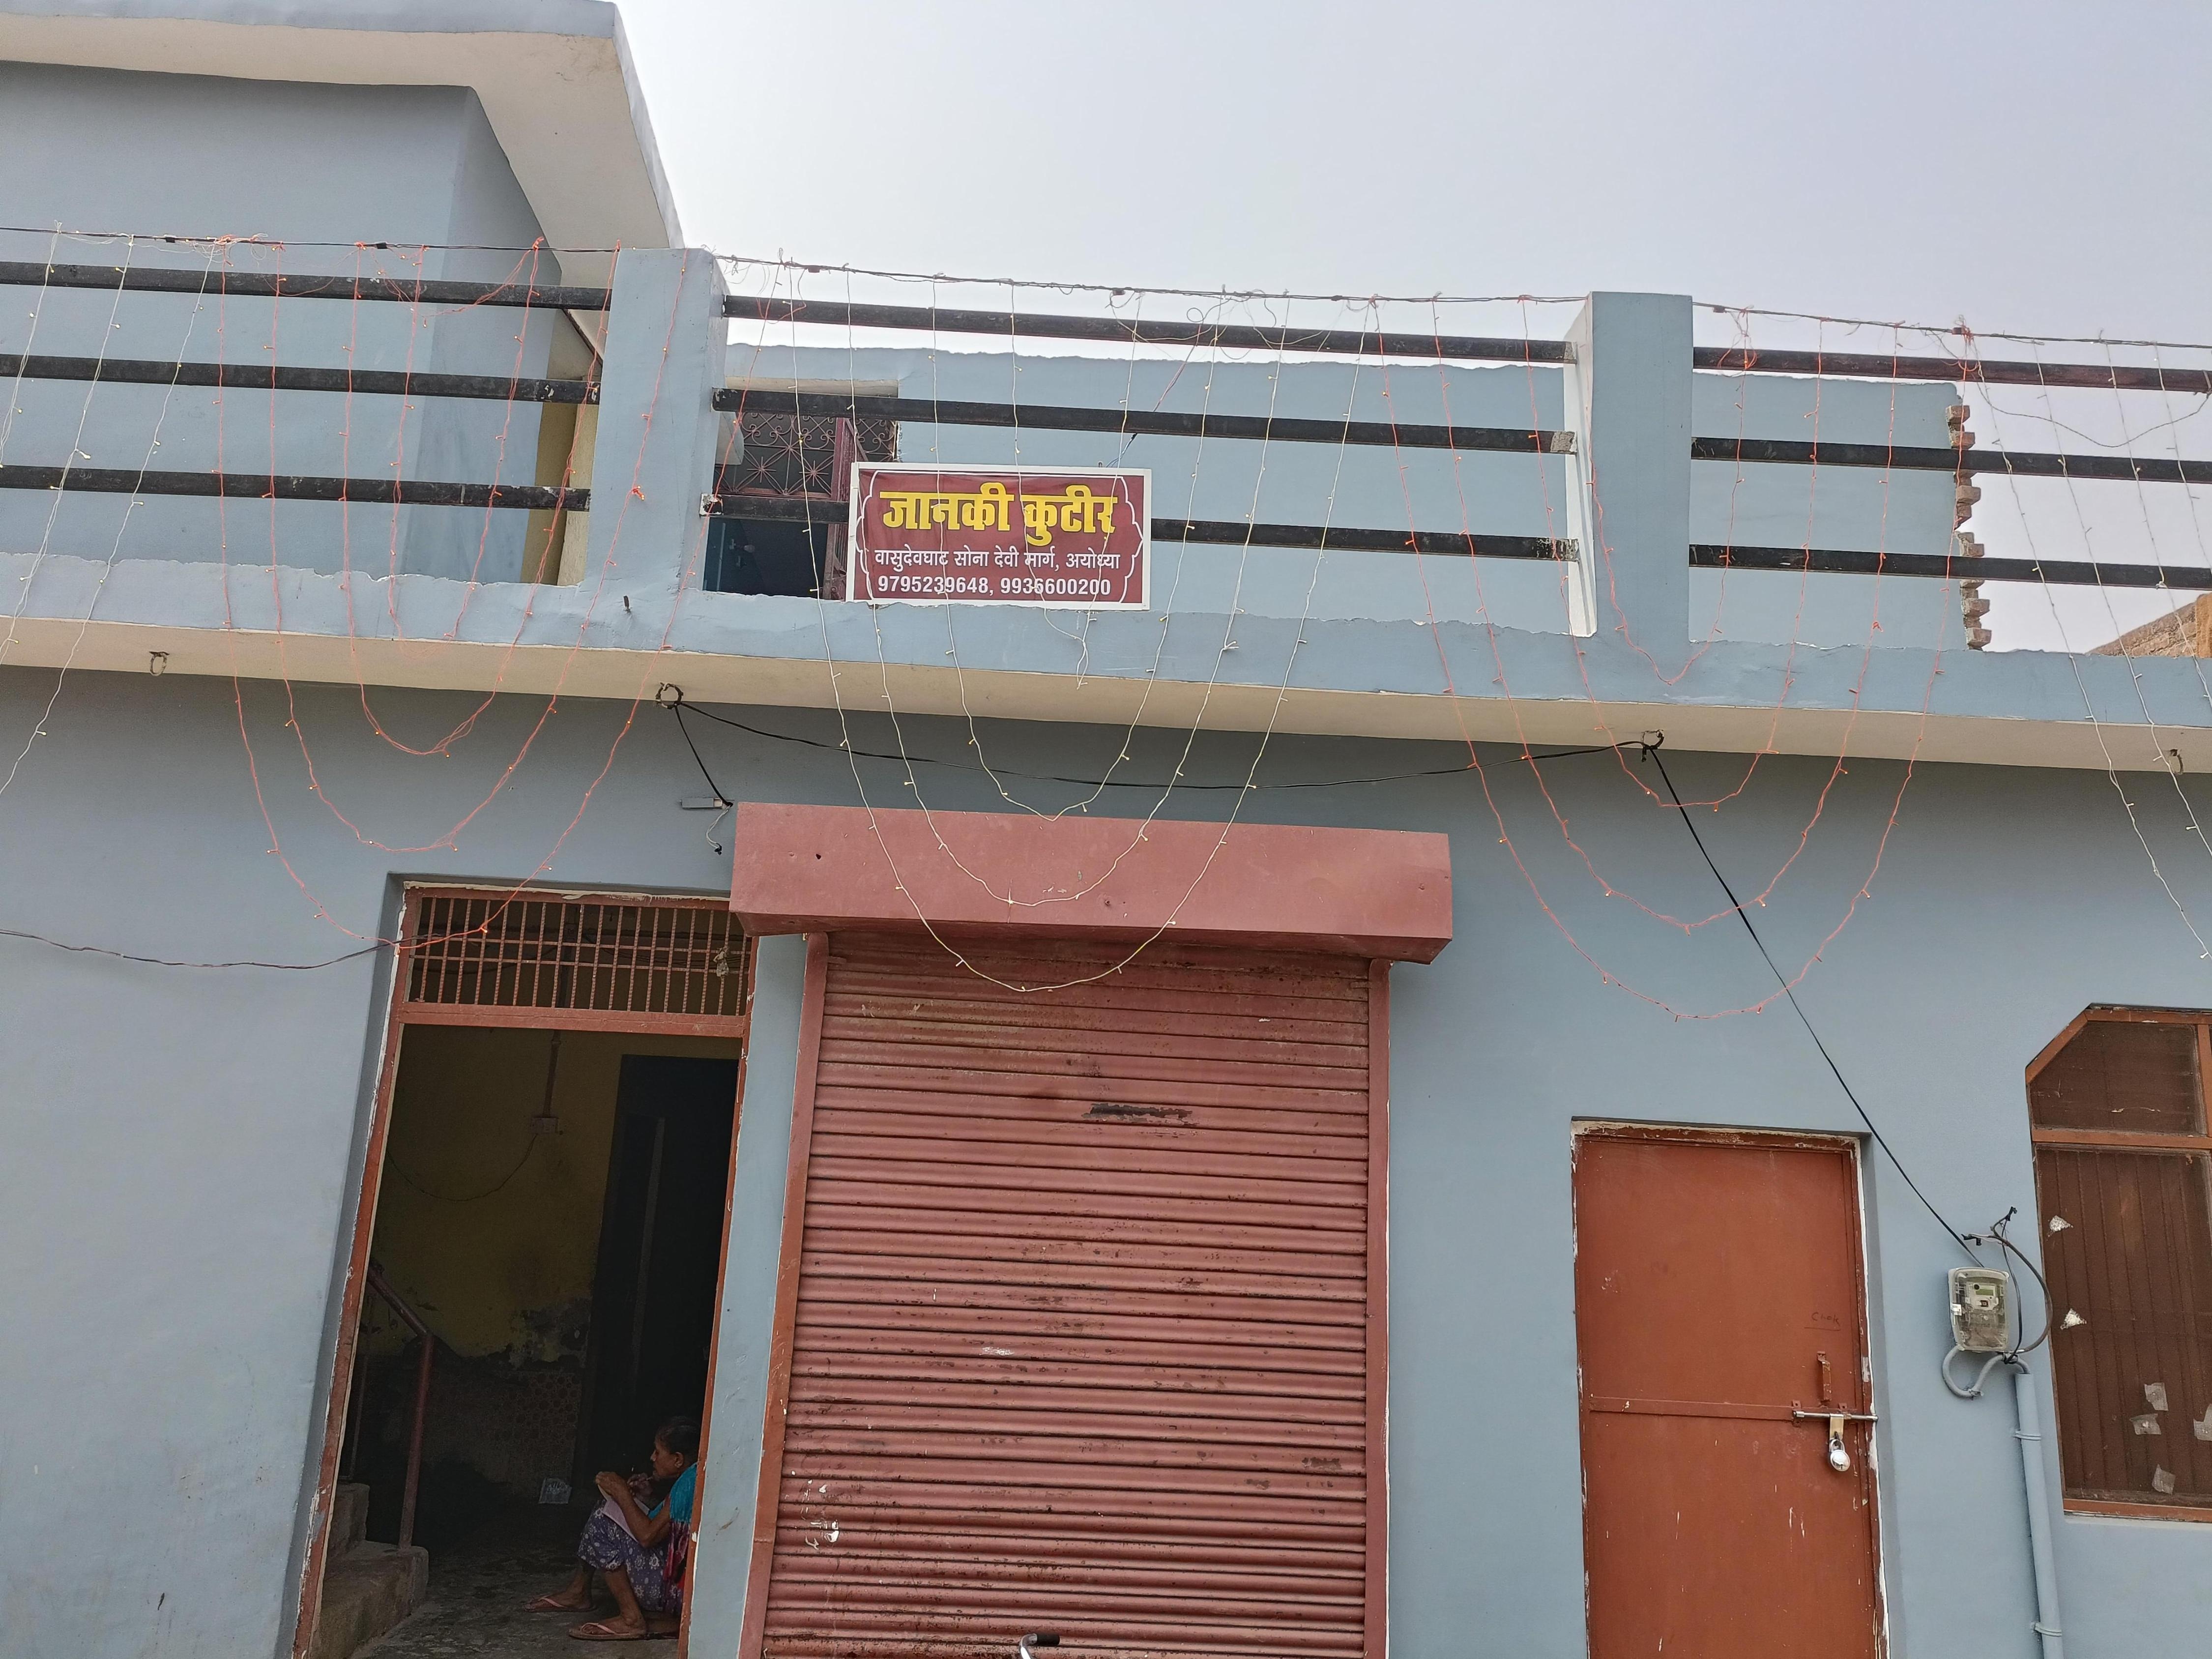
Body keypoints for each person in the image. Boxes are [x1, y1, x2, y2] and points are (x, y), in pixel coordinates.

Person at [529, 1417, 699, 1641]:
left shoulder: (690, 1483)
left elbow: (648, 1537)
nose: (652, 1458)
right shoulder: (692, 1476)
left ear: (677, 1459)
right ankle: (578, 1592)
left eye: (658, 1452)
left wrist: (622, 1494)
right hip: (680, 1582)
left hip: (673, 1590)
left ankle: (631, 1619)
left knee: (604, 1521)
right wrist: (646, 1499)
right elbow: (667, 1524)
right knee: (605, 1508)